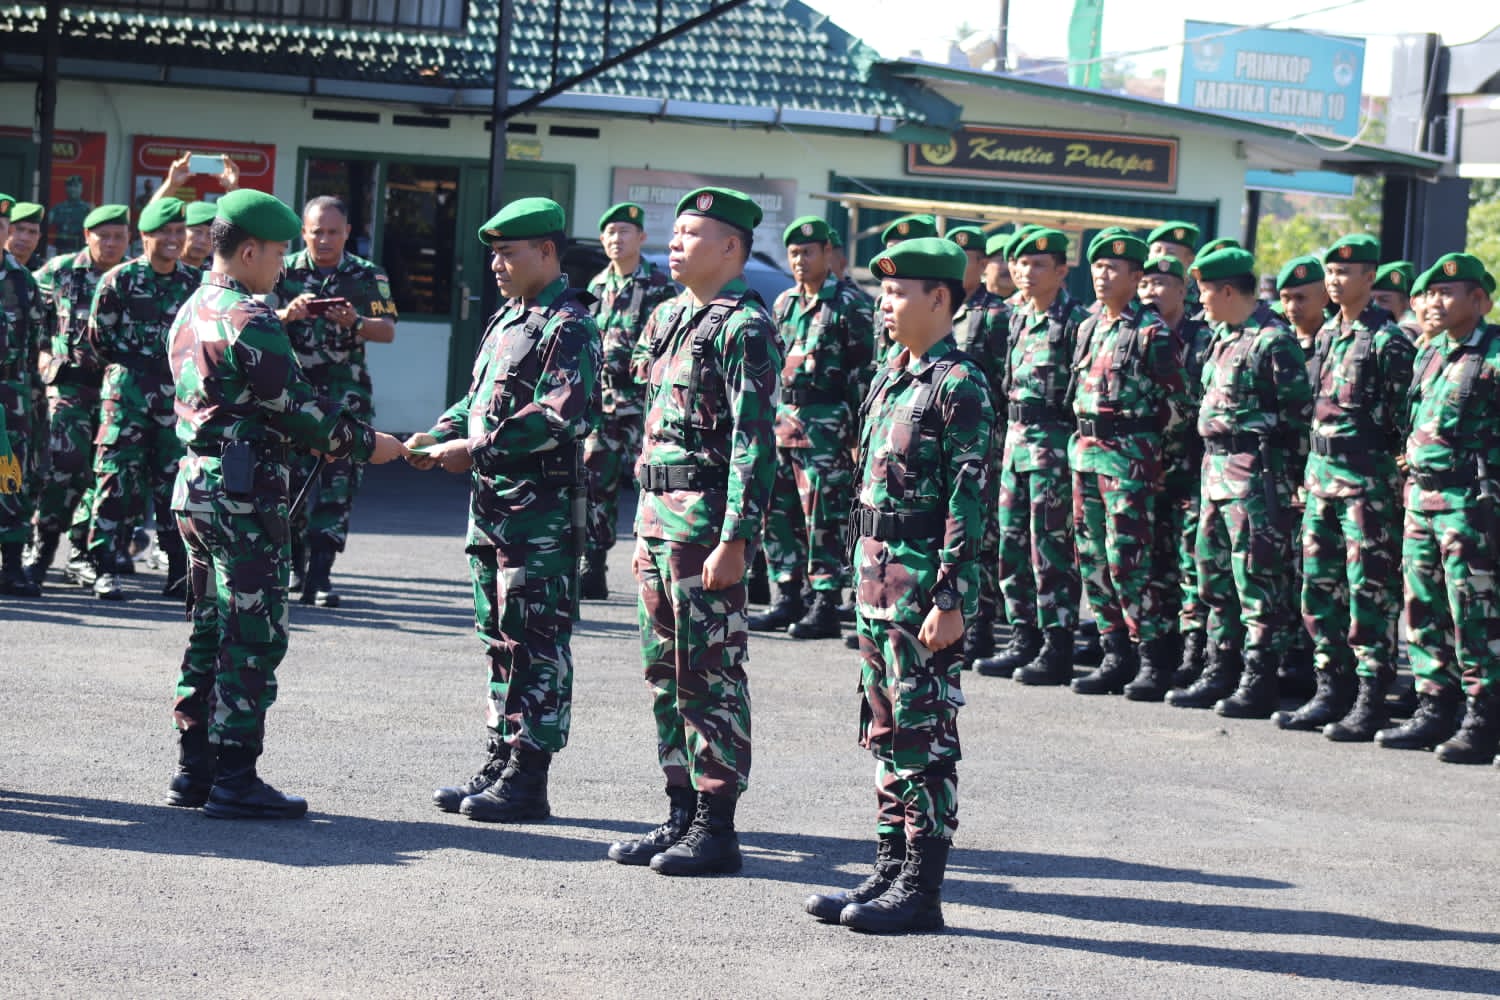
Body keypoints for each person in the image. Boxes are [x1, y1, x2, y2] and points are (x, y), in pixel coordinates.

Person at [165, 189, 406, 819]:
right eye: (276, 251)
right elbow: (298, 409)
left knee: (208, 627)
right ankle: (235, 780)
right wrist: (371, 444)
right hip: (243, 497)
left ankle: (195, 768)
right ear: (248, 251)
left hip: (196, 487)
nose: (282, 263)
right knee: (252, 635)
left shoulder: (192, 306)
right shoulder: (251, 316)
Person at [803, 237, 992, 934]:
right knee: (884, 728)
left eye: (898, 292)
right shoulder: (893, 374)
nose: (885, 303)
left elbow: (969, 500)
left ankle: (921, 888)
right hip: (877, 573)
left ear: (939, 298)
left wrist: (950, 597)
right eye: (881, 291)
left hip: (920, 584)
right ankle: (887, 866)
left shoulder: (959, 384)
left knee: (925, 732)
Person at [606, 186, 779, 876]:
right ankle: (678, 811)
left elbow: (753, 443)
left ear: (731, 248)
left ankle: (717, 824)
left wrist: (737, 539)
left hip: (705, 528)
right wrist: (639, 529)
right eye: (673, 233)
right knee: (664, 673)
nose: (673, 243)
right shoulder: (669, 317)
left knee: (710, 675)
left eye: (690, 233)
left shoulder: (745, 326)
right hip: (656, 522)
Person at [411, 196, 601, 822]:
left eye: (508, 253)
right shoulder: (506, 320)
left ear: (547, 252)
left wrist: (475, 447)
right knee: (498, 638)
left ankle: (529, 776)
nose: (496, 264)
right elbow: (476, 401)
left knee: (536, 641)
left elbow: (556, 414)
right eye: (492, 253)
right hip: (492, 508)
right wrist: (439, 435)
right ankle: (501, 754)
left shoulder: (568, 326)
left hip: (538, 516)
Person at [1277, 236, 1414, 736]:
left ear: (1369, 277)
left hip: (1365, 484)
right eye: (1330, 272)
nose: (1335, 281)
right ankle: (1329, 690)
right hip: (1321, 480)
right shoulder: (1329, 335)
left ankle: (1370, 698)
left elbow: (1406, 416)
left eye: (1345, 272)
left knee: (1368, 591)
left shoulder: (1389, 341)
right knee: (1320, 588)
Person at [1167, 247, 1311, 715]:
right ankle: (1219, 668)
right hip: (1215, 475)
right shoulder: (1222, 337)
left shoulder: (1272, 342)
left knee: (1256, 580)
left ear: (1228, 290)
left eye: (1205, 290)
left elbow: (1297, 418)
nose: (1200, 300)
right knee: (1214, 577)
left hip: (1254, 478)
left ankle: (1259, 678)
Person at [1379, 252, 1500, 764]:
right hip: (1421, 501)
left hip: (1468, 506)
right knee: (1423, 608)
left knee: (1473, 613)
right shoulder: (1429, 353)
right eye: (1431, 293)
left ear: (1480, 299)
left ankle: (1482, 716)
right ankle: (1434, 706)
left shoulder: (1494, 355)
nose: (1437, 301)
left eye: (1449, 292)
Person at [1066, 234, 1189, 697]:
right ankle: (1114, 651)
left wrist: (1153, 457)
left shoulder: (1152, 333)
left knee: (1128, 560)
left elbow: (1178, 407)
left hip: (1129, 460)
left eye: (1114, 269)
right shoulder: (1089, 326)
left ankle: (1152, 656)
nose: (1102, 275)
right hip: (1087, 453)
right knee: (1092, 555)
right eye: (1098, 266)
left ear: (1137, 279)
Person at [271, 195, 397, 607]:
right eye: (316, 232)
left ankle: (320, 576)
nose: (324, 240)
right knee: (285, 483)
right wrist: (288, 315)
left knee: (336, 486)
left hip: (345, 396)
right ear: (303, 232)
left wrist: (355, 322)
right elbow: (251, 319)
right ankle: (292, 566)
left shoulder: (366, 275)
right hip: (292, 396)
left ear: (346, 233)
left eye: (333, 232)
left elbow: (388, 330)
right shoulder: (281, 269)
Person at [751, 215, 874, 639]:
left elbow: (863, 374)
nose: (801, 260)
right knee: (778, 513)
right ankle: (787, 595)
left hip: (828, 426)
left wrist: (860, 435)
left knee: (824, 515)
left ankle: (825, 600)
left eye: (809, 252)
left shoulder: (850, 306)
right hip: (784, 422)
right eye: (794, 254)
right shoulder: (783, 304)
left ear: (827, 254)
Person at [80, 197, 200, 600]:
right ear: (145, 237)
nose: (173, 239)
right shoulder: (119, 280)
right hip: (127, 397)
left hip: (176, 402)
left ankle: (178, 569)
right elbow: (100, 341)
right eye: (164, 232)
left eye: (178, 232)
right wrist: (139, 369)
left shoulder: (193, 283)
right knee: (116, 482)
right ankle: (106, 568)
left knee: (175, 485)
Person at [983, 228, 1085, 684]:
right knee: (1012, 544)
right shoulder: (1016, 318)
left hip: (1053, 449)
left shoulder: (1075, 323)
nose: (1025, 271)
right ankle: (1022, 635)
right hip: (1016, 443)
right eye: (1020, 263)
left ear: (1062, 271)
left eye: (1038, 264)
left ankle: (1056, 643)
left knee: (1051, 548)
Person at [26, 204, 130, 586]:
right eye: (104, 235)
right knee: (64, 463)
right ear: (88, 236)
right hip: (69, 383)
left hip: (117, 390)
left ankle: (84, 554)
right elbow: (26, 306)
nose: (111, 243)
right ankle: (41, 546)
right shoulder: (61, 270)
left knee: (101, 472)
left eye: (119, 236)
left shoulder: (129, 276)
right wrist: (40, 352)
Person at [579, 201, 675, 599]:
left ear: (641, 238)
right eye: (610, 233)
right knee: (593, 483)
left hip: (643, 405)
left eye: (624, 232)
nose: (616, 239)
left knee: (653, 484)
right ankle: (593, 564)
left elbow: (668, 347)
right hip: (602, 406)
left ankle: (659, 566)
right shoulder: (596, 288)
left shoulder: (659, 287)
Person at [1136, 253, 1215, 695]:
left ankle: (1193, 653)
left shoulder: (1201, 339)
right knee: (1152, 562)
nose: (1150, 292)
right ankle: (1157, 646)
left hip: (1190, 468)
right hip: (1144, 468)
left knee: (1191, 563)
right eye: (1144, 283)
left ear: (1182, 291)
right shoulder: (1135, 334)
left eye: (1161, 284)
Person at [945, 224, 1009, 666]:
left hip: (987, 439)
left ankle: (981, 626)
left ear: (982, 263)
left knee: (982, 537)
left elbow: (1009, 382)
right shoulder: (940, 305)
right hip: (942, 436)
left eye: (968, 258)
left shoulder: (995, 315)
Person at [0, 193, 46, 596]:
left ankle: (12, 566)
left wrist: (34, 402)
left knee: (10, 474)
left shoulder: (21, 280)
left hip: (11, 393)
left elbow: (35, 346)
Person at [1371, 260, 1420, 341]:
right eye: (1371, 300)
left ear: (1406, 303)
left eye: (1384, 300)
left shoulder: (1406, 332)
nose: (1376, 305)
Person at [49, 175, 92, 255]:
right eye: (70, 186)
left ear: (81, 189)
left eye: (76, 186)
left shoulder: (87, 209)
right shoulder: (58, 208)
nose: (72, 189)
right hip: (61, 250)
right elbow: (47, 224)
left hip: (80, 251)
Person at [180, 201, 217, 270]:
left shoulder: (215, 272)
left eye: (210, 234)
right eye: (197, 232)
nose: (203, 240)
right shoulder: (163, 266)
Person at [6, 202, 44, 268]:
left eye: (32, 232)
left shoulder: (43, 272)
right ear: (6, 231)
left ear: (38, 237)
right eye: (19, 229)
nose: (25, 238)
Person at [982, 232, 1016, 299]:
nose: (1007, 267)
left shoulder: (1032, 302)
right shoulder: (966, 300)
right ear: (984, 265)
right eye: (1001, 259)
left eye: (1013, 260)